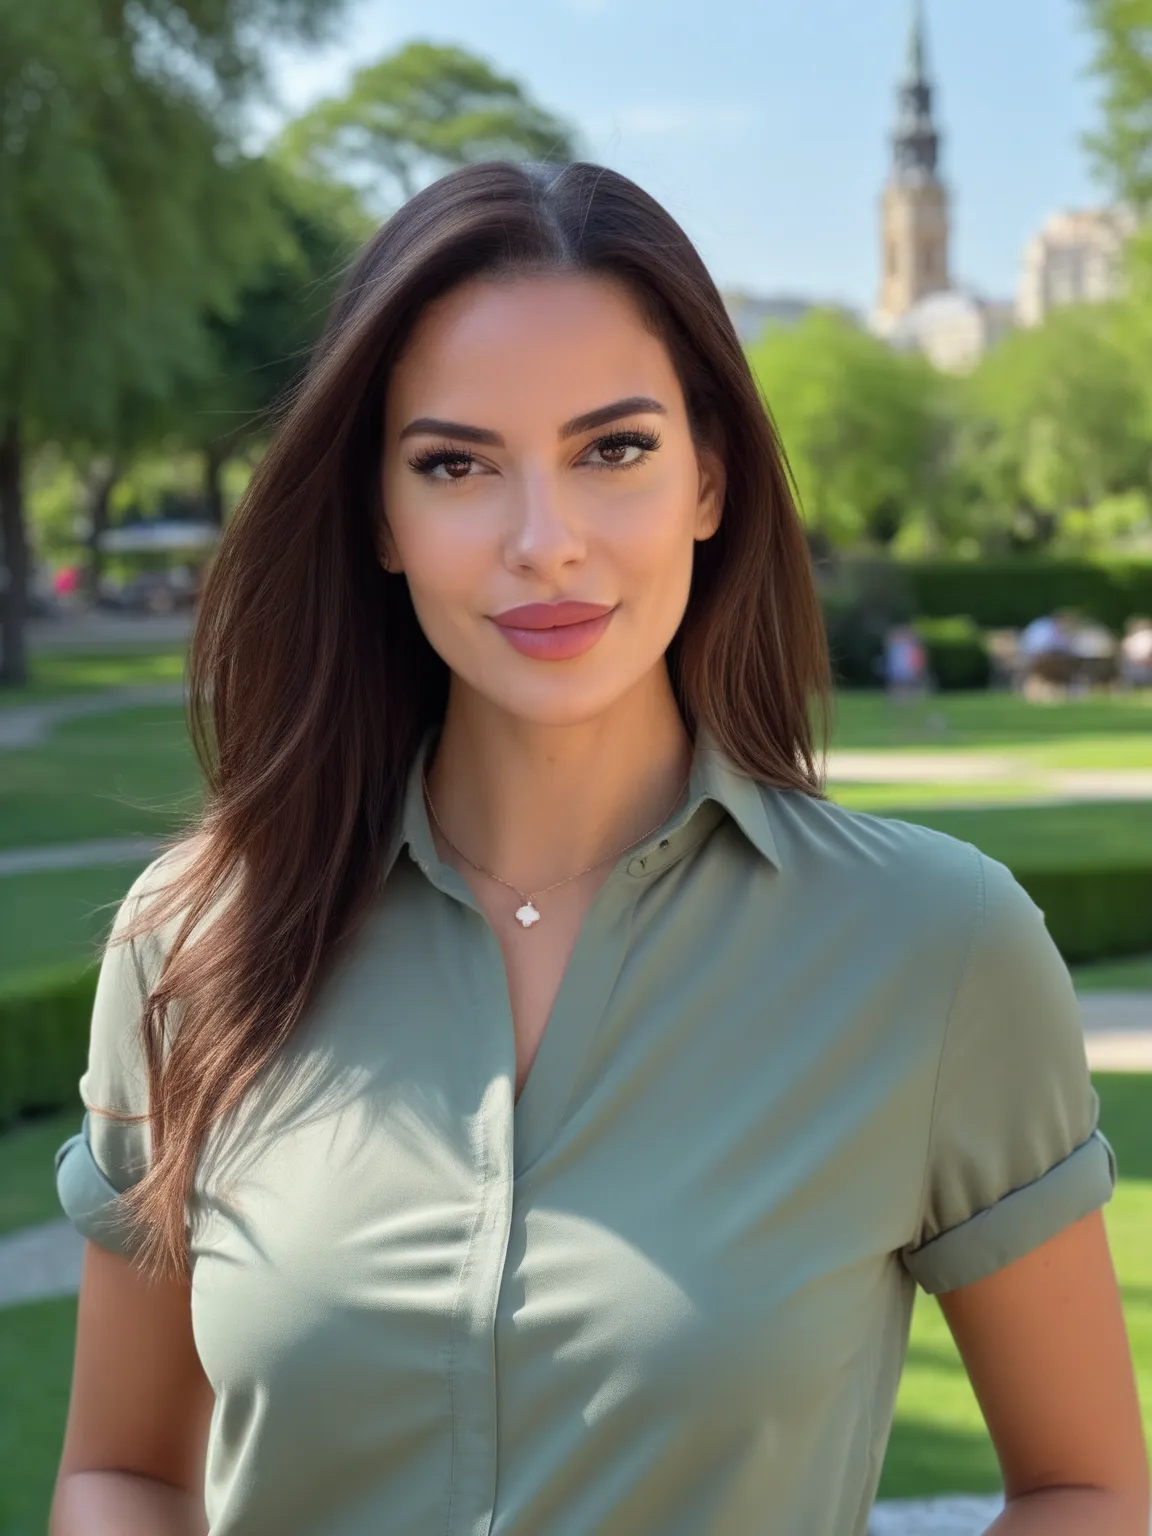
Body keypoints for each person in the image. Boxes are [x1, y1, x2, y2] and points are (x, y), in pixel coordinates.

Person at [49, 161, 1149, 1536]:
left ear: (710, 480)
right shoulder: (195, 938)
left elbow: (1091, 1489)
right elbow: (121, 1470)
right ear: (380, 515)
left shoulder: (936, 948)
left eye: (613, 450)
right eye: (456, 465)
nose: (545, 542)